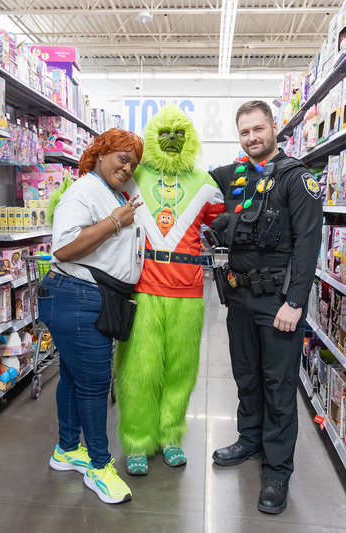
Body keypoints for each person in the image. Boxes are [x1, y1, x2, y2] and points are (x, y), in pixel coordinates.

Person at [208, 100, 323, 514]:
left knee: (278, 385)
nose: (253, 137)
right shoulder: (235, 176)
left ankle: (277, 471)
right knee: (245, 376)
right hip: (238, 297)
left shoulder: (297, 178)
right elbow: (187, 178)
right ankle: (249, 438)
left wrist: (296, 302)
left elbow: (309, 244)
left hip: (279, 301)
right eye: (245, 132)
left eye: (258, 129)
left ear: (274, 128)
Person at [115, 104, 223, 476]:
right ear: (153, 138)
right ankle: (137, 440)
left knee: (181, 370)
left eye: (180, 135)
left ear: (190, 138)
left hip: (189, 294)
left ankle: (170, 435)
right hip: (142, 289)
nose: (173, 142)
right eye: (165, 135)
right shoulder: (133, 175)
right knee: (139, 370)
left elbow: (222, 221)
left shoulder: (206, 183)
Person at [39, 128, 145, 505]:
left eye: (133, 163)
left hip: (91, 297)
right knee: (96, 383)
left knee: (73, 374)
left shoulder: (115, 193)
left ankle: (67, 449)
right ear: (101, 153)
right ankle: (100, 466)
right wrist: (116, 222)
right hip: (77, 296)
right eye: (122, 157)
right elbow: (65, 248)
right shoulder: (84, 190)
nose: (128, 167)